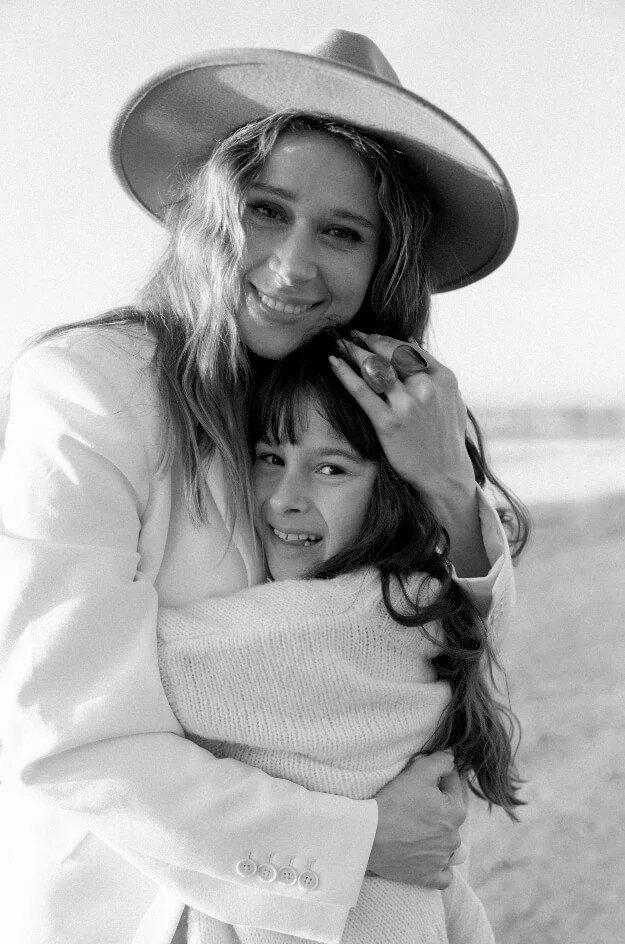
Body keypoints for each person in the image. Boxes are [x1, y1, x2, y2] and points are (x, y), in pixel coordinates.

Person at [0, 29, 527, 944]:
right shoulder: (91, 389)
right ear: (209, 210)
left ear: (382, 262)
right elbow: (64, 727)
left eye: (342, 232)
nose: (292, 266)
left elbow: (424, 644)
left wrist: (445, 482)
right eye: (266, 210)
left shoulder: (357, 407)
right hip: (134, 907)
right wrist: (356, 837)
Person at [157, 331, 524, 944]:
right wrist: (452, 483)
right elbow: (490, 607)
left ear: (391, 488)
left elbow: (109, 672)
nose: (284, 499)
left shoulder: (306, 628)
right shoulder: (422, 602)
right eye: (270, 456)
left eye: (331, 468)